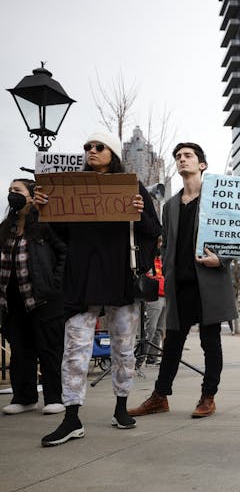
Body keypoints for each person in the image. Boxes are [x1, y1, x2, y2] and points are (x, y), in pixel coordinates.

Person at [36, 132, 161, 446]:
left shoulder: (133, 187)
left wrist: (140, 211)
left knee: (124, 347)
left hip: (121, 277)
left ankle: (121, 407)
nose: (91, 150)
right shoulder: (72, 188)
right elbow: (60, 234)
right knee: (75, 351)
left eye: (98, 146)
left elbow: (154, 231)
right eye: (87, 146)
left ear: (113, 153)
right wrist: (47, 210)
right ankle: (72, 416)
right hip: (83, 279)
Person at [129, 143, 238, 420]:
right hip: (180, 285)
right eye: (178, 157)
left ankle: (208, 396)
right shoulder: (170, 206)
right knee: (172, 343)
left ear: (202, 164)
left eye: (188, 156)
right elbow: (166, 246)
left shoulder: (219, 198)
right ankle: (160, 396)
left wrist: (221, 260)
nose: (181, 159)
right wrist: (166, 268)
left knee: (210, 341)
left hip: (209, 283)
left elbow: (236, 238)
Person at [0, 179, 66, 416]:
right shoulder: (5, 227)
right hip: (12, 300)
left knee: (49, 349)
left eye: (16, 190)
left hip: (43, 298)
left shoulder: (45, 225)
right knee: (20, 350)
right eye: (9, 191)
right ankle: (24, 397)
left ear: (31, 196)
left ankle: (54, 397)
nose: (11, 195)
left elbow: (63, 253)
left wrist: (55, 284)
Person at [142, 236, 166, 366]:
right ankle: (141, 357)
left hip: (165, 296)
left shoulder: (163, 259)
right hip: (154, 297)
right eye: (159, 243)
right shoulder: (149, 259)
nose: (160, 245)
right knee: (150, 328)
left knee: (159, 330)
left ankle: (152, 357)